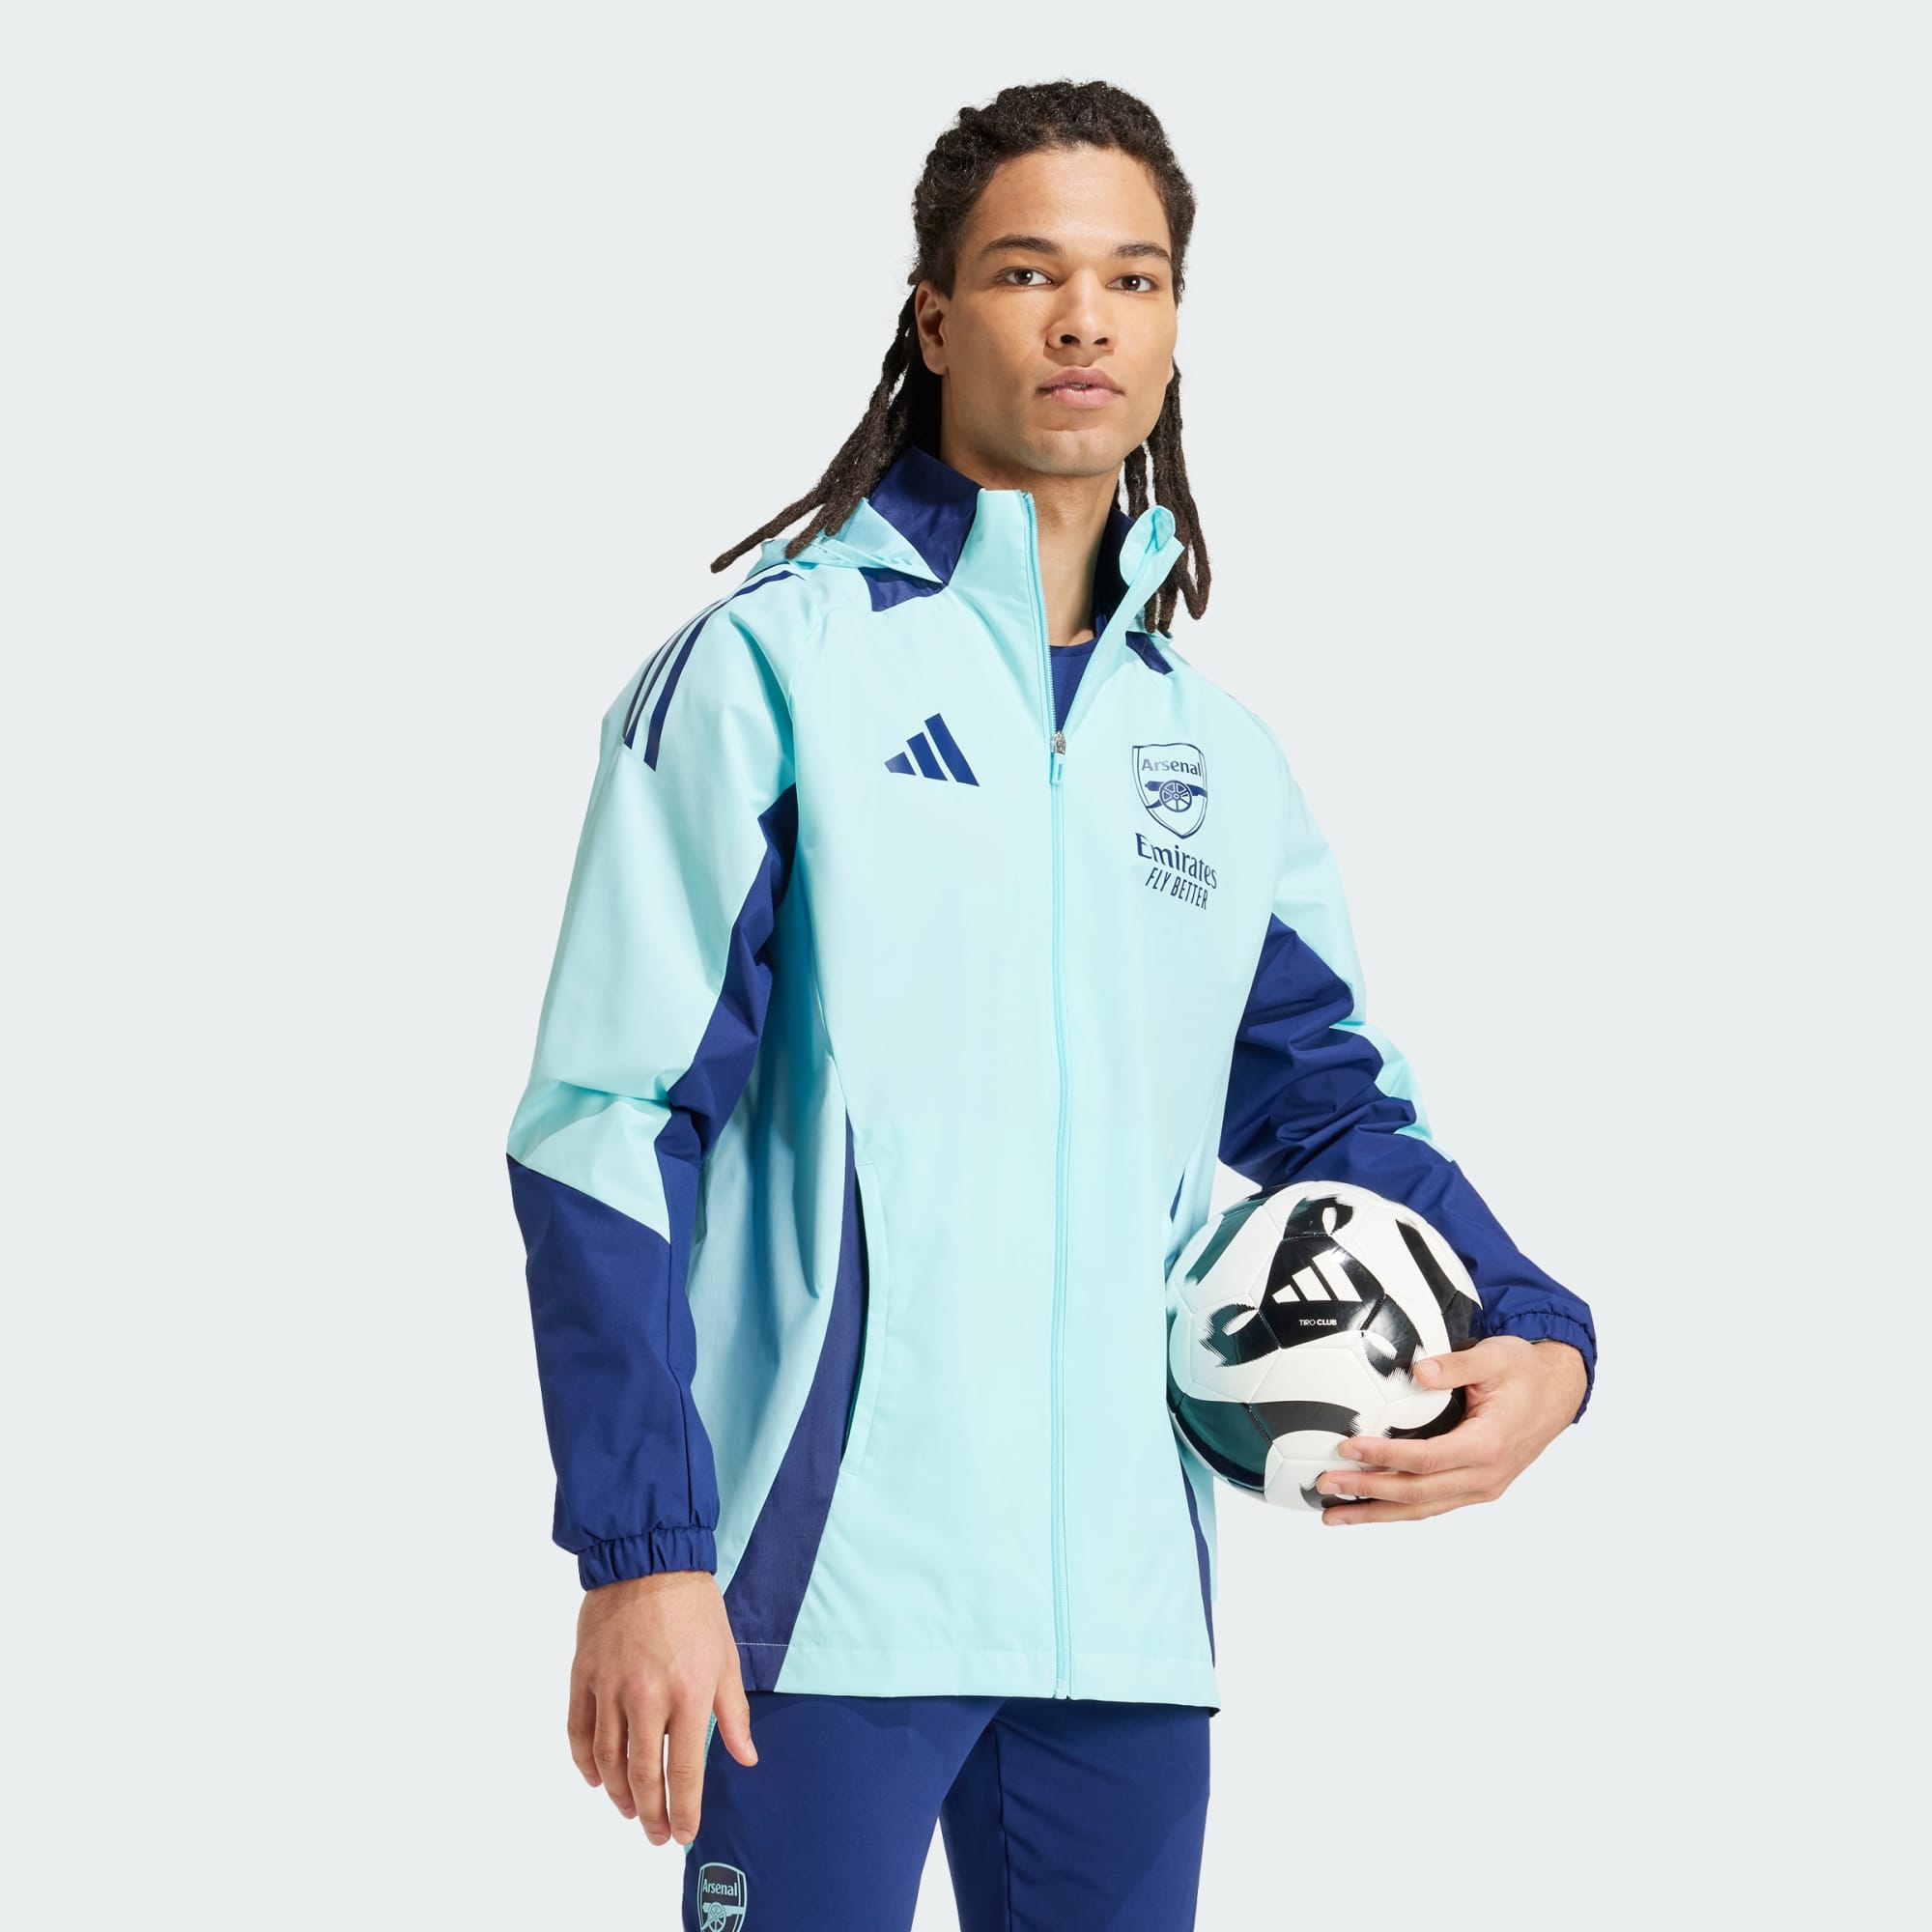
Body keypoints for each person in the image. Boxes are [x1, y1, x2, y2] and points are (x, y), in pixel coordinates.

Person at [504, 77, 1598, 1932]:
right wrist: (644, 1548)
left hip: (1128, 1622)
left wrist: (1540, 1328)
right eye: (1028, 272)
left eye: (1134, 278)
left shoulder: (1216, 755)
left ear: (1174, 327)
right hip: (819, 1600)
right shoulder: (772, 672)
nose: (1085, 319)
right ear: (937, 321)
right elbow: (608, 1120)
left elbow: (1329, 1108)